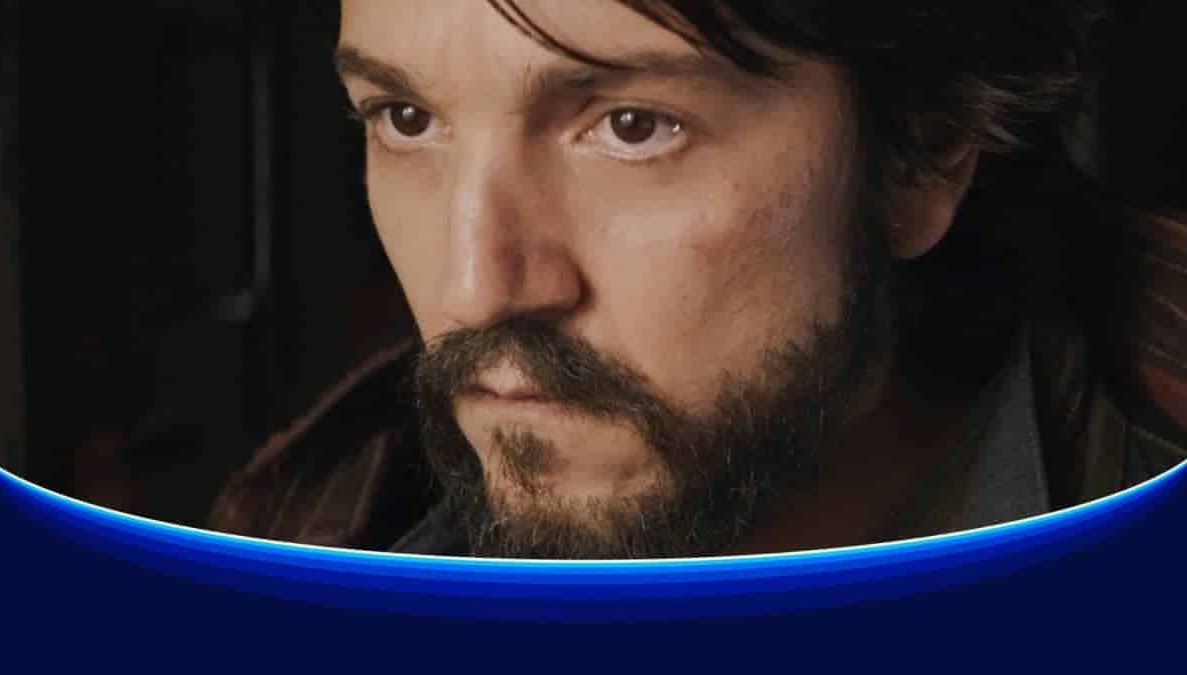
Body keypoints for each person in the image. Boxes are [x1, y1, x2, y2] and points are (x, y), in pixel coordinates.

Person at [208, 0, 1186, 558]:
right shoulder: (302, 554)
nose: (477, 290)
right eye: (407, 119)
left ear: (920, 151)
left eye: (632, 127)